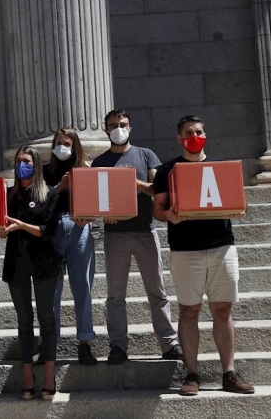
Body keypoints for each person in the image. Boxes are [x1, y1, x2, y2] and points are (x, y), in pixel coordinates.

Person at [153, 115, 254, 396]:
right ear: (179, 137)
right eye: (188, 132)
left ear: (205, 134)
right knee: (189, 310)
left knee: (222, 310)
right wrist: (168, 216)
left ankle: (229, 373)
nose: (194, 136)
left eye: (198, 131)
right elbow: (157, 208)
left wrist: (239, 208)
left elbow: (238, 202)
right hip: (185, 250)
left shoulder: (221, 168)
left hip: (222, 246)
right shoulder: (167, 170)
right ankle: (192, 374)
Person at [93, 110, 182, 364]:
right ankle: (118, 346)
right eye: (113, 125)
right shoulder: (99, 162)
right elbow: (96, 199)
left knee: (157, 291)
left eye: (122, 125)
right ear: (105, 129)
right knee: (115, 295)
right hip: (114, 234)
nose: (118, 129)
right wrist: (102, 215)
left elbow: (157, 190)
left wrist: (134, 182)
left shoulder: (146, 155)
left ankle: (169, 344)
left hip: (145, 230)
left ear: (130, 128)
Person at [0, 146, 61, 401]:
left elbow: (49, 230)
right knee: (24, 320)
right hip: (17, 261)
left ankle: (48, 372)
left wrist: (21, 225)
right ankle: (27, 374)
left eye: (26, 161)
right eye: (18, 161)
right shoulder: (8, 195)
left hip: (45, 261)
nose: (21, 165)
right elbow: (0, 223)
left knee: (47, 318)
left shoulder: (50, 194)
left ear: (36, 165)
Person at [43, 127, 97, 365]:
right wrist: (60, 187)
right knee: (51, 292)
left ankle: (85, 342)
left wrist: (90, 216)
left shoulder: (85, 170)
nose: (62, 147)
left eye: (67, 143)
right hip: (51, 230)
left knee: (82, 286)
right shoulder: (43, 172)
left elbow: (98, 199)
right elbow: (37, 203)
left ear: (75, 146)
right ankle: (49, 345)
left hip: (79, 228)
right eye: (58, 143)